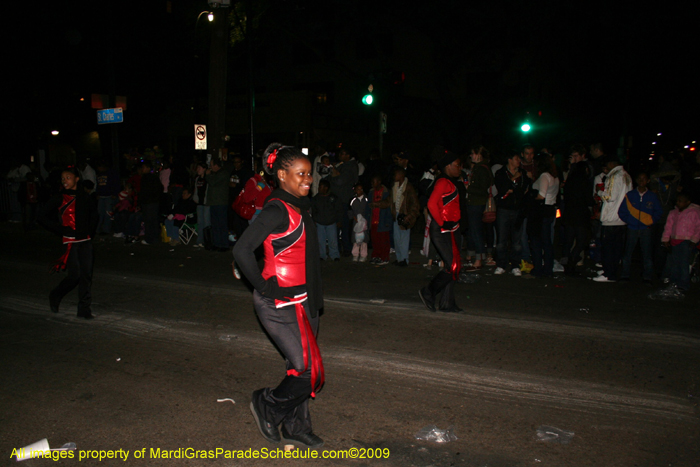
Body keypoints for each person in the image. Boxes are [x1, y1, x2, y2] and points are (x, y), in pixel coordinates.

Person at [233, 143, 325, 448]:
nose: (308, 180)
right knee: (305, 369)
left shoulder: (300, 205)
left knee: (300, 366)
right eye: (301, 174)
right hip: (278, 303)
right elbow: (242, 250)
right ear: (282, 175)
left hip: (305, 301)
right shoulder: (276, 209)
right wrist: (263, 286)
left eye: (309, 174)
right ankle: (267, 404)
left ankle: (296, 426)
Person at [37, 167, 98, 319]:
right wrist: (60, 229)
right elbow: (42, 216)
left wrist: (90, 232)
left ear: (77, 179)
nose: (65, 180)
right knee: (75, 276)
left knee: (86, 275)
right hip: (70, 242)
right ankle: (56, 294)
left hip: (86, 241)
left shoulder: (85, 196)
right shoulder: (59, 197)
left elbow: (94, 215)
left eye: (68, 177)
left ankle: (84, 308)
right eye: (63, 178)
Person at [419, 151, 465, 313]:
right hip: (443, 229)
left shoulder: (450, 182)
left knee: (455, 266)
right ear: (448, 166)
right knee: (452, 265)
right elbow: (431, 204)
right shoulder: (444, 182)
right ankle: (429, 291)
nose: (460, 168)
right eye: (457, 165)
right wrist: (442, 223)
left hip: (451, 228)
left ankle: (447, 302)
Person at [618, 172, 663, 283]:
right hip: (632, 228)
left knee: (647, 253)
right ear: (636, 180)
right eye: (639, 178)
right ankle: (625, 274)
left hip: (646, 229)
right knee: (628, 252)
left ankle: (647, 276)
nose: (642, 181)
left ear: (648, 181)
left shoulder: (652, 196)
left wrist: (651, 221)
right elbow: (622, 211)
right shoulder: (630, 195)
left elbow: (658, 211)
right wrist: (630, 221)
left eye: (644, 179)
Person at [593, 157, 632, 282]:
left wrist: (599, 192)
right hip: (621, 216)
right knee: (616, 248)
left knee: (608, 247)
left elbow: (610, 196)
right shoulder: (626, 175)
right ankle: (610, 271)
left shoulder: (614, 176)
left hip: (611, 217)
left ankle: (609, 274)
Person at [493, 151, 530, 276]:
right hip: (503, 210)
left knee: (517, 241)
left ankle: (515, 265)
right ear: (509, 160)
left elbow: (523, 190)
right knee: (501, 240)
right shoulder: (501, 173)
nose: (518, 161)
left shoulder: (523, 174)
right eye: (516, 158)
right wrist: (512, 181)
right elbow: (501, 188)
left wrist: (513, 188)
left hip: (517, 210)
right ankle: (501, 264)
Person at [528, 153, 560, 278]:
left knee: (537, 240)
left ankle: (539, 268)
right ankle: (548, 268)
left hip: (542, 210)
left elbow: (541, 195)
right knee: (547, 241)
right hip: (550, 208)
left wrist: (531, 198)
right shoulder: (554, 176)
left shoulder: (545, 176)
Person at [660, 193, 700, 292]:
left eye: (681, 201)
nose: (678, 203)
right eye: (677, 200)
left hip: (686, 241)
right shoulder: (673, 212)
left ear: (688, 202)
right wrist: (665, 239)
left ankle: (683, 284)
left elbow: (698, 227)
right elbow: (668, 227)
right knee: (674, 263)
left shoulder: (694, 212)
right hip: (674, 241)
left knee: (684, 264)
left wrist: (694, 240)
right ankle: (673, 283)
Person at [562, 148, 592, 275]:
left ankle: (569, 262)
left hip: (569, 214)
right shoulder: (583, 181)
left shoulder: (570, 180)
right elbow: (588, 198)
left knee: (569, 240)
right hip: (579, 215)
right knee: (581, 240)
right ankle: (572, 262)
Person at [464, 145, 494, 271]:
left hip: (477, 203)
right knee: (473, 231)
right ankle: (473, 256)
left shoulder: (481, 168)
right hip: (475, 202)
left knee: (476, 231)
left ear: (478, 154)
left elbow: (482, 189)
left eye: (473, 153)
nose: (471, 156)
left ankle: (478, 259)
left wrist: (468, 188)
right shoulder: (481, 167)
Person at [389, 167, 420, 267]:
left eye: (396, 174)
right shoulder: (395, 186)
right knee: (397, 238)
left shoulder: (408, 187)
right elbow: (390, 201)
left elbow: (415, 204)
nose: (394, 176)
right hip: (397, 214)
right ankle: (399, 259)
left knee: (404, 239)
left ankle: (404, 259)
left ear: (401, 175)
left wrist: (409, 216)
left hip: (405, 215)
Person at [311, 179, 343, 261]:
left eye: (321, 187)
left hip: (331, 223)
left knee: (333, 241)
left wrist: (339, 221)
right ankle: (322, 255)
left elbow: (338, 210)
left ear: (326, 188)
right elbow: (313, 211)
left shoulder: (333, 198)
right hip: (320, 223)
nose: (319, 189)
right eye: (319, 187)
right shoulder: (316, 199)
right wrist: (314, 220)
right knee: (320, 241)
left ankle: (334, 255)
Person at [367, 174, 392, 265]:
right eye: (372, 182)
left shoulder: (386, 192)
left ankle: (384, 257)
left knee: (384, 240)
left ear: (379, 182)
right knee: (375, 240)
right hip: (373, 219)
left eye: (374, 182)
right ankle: (376, 256)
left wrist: (388, 221)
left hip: (383, 220)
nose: (372, 184)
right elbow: (368, 207)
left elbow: (389, 208)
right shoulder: (371, 192)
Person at [350, 183, 369, 262]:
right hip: (356, 223)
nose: (359, 191)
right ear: (355, 190)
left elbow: (369, 210)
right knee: (355, 239)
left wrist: (366, 219)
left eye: (361, 189)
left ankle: (363, 255)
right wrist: (353, 217)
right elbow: (349, 210)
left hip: (364, 223)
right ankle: (355, 254)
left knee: (364, 239)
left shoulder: (366, 199)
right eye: (358, 189)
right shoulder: (353, 200)